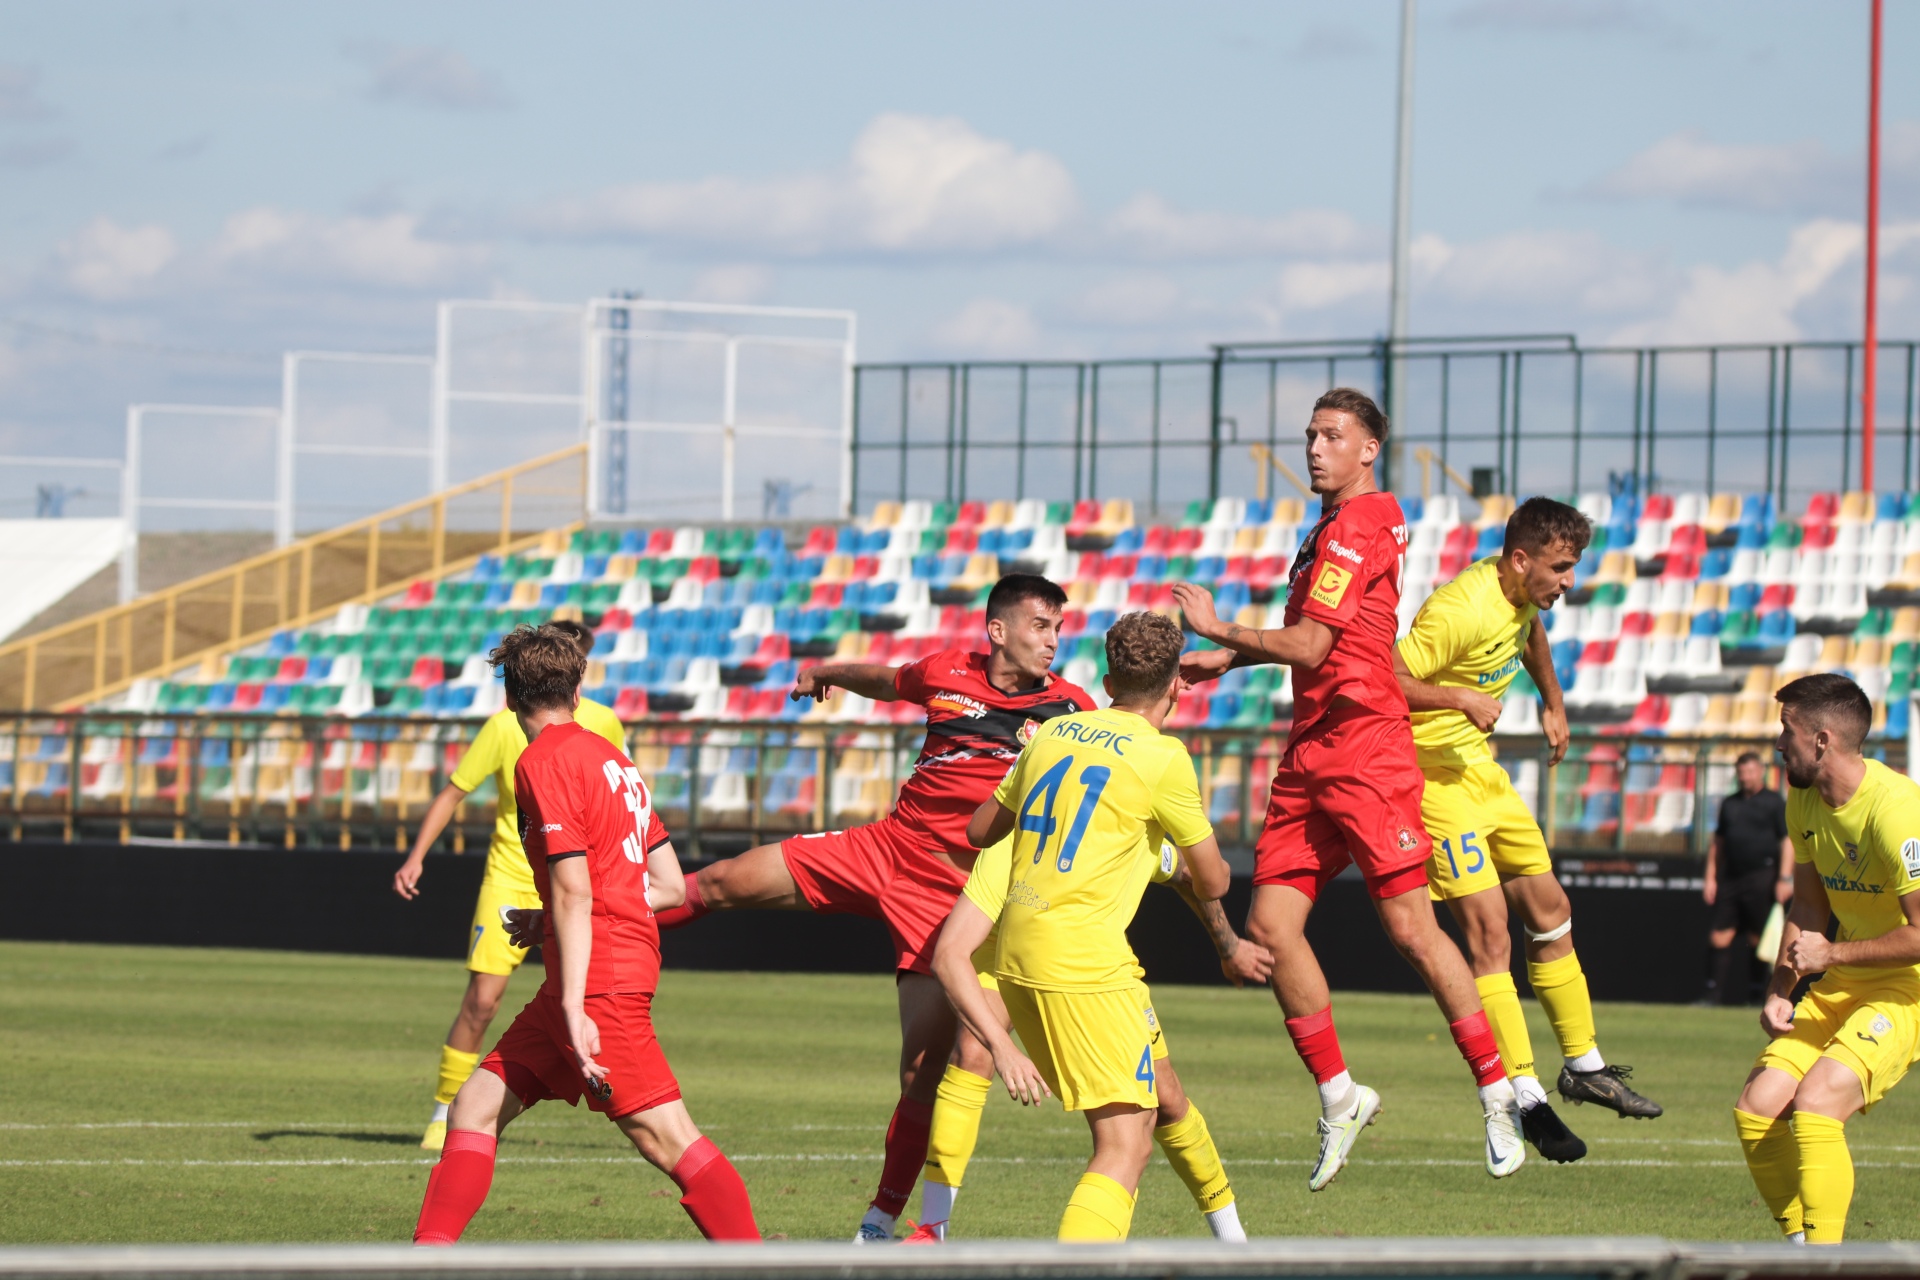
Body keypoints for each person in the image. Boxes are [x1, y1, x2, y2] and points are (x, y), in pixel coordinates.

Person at [654, 573, 1095, 1242]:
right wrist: (826, 670)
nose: (1053, 642)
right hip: (886, 848)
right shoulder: (945, 670)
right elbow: (889, 681)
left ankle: (882, 1219)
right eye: (1042, 626)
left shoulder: (1072, 711)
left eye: (1059, 629)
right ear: (998, 630)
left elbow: (1118, 757)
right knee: (720, 881)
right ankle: (601, 928)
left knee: (923, 1068)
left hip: (954, 894)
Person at [1175, 387, 1522, 1190]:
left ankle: (1497, 1091)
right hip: (1312, 748)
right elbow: (1326, 644)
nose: (1315, 448)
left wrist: (1220, 629)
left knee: (1409, 929)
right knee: (1269, 926)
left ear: (1370, 448)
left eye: (1333, 436)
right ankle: (1341, 1095)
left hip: (1366, 748)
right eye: (1310, 435)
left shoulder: (1361, 523)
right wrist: (1231, 661)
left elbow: (1311, 641)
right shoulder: (1332, 527)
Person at [411, 624, 759, 1244]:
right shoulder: (614, 759)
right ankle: (424, 1260)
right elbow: (670, 887)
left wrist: (575, 1003)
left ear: (511, 699)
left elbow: (575, 887)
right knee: (475, 1108)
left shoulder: (540, 762)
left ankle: (759, 1264)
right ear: (577, 690)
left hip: (597, 987)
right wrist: (556, 926)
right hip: (590, 972)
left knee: (670, 1138)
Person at [934, 609, 1235, 1242]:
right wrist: (1168, 855)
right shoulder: (1163, 758)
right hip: (1086, 962)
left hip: (1018, 952)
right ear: (1178, 683)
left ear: (1106, 682)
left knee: (1167, 1094)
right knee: (1124, 1144)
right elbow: (1216, 881)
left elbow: (978, 830)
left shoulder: (1051, 734)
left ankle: (1235, 1245)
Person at [1393, 496, 1662, 1166]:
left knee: (1552, 912)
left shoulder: (1522, 601)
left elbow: (1531, 635)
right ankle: (1522, 1092)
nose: (1569, 580)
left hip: (1482, 774)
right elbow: (1384, 680)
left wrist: (1554, 703)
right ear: (1521, 560)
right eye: (1562, 567)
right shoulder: (1458, 608)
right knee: (1489, 935)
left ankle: (1585, 1065)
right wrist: (1457, 697)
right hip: (1436, 784)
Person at [907, 800, 1271, 1241]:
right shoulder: (1022, 832)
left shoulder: (1122, 824)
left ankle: (1234, 1241)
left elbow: (1190, 875)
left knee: (1166, 1099)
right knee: (978, 1055)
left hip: (1094, 976)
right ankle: (932, 1229)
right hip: (1024, 952)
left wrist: (1228, 945)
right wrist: (1003, 1049)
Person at [393, 617, 626, 1152]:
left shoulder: (605, 724)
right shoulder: (506, 726)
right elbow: (455, 791)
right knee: (483, 1001)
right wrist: (416, 857)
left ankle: (623, 1100)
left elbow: (619, 793)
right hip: (511, 879)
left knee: (599, 996)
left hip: (574, 883)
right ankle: (443, 1109)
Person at [1733, 672, 1920, 1245]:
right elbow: (1809, 903)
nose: (1776, 742)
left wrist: (1831, 953)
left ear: (1820, 740)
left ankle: (1823, 1260)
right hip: (1843, 982)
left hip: (1905, 990)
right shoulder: (1804, 795)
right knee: (1757, 1108)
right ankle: (1800, 1247)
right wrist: (1779, 989)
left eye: (1784, 729)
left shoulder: (1896, 811)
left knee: (1815, 1105)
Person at [1705, 751, 1794, 1005]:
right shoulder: (1730, 803)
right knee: (1719, 935)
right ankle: (1712, 995)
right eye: (1741, 772)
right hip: (1731, 877)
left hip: (1762, 877)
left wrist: (1784, 878)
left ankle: (1757, 995)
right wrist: (1711, 877)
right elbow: (1718, 843)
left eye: (1750, 771)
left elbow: (1786, 841)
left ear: (1761, 772)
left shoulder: (1774, 802)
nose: (1745, 777)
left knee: (1759, 937)